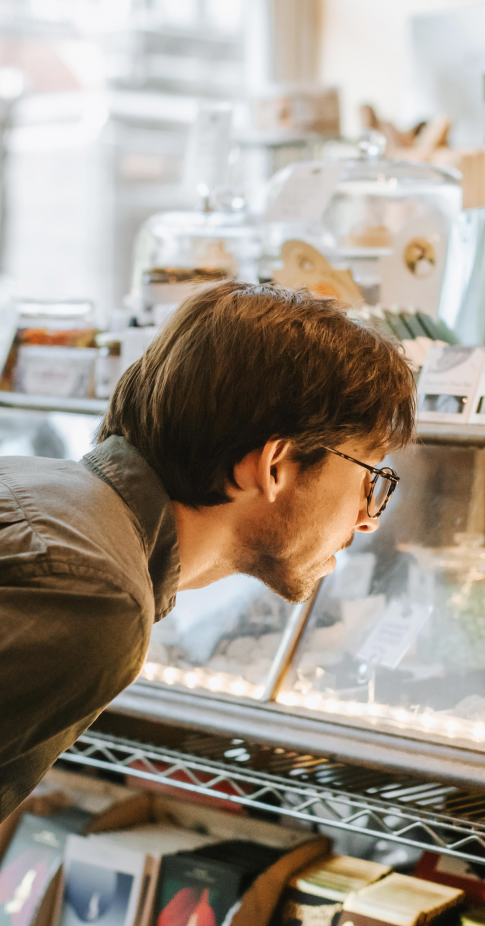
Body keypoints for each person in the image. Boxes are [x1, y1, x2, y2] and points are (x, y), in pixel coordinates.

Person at [0, 281, 415, 821]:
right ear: (274, 465)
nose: (367, 519)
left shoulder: (40, 490)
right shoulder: (94, 591)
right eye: (371, 478)